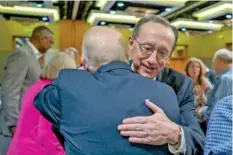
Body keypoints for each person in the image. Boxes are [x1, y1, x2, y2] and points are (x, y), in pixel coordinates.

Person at [34, 27, 183, 155]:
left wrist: (81, 70)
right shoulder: (167, 93)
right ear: (126, 56)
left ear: (85, 62)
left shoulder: (69, 86)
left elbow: (41, 98)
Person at [120, 15, 204, 154]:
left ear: (169, 57)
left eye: (162, 53)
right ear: (131, 44)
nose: (152, 60)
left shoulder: (181, 85)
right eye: (147, 48)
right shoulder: (110, 75)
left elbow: (198, 140)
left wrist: (174, 134)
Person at [7, 53, 76, 155]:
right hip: (35, 150)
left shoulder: (35, 86)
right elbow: (48, 134)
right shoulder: (53, 92)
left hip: (18, 148)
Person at [0, 26, 54, 154]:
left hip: (26, 123)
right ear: (42, 38)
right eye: (50, 41)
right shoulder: (21, 54)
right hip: (14, 125)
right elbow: (10, 90)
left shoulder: (36, 58)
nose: (51, 45)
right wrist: (13, 123)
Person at [199, 49, 232, 121]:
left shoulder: (225, 79)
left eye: (213, 62)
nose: (212, 66)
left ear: (220, 60)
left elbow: (220, 108)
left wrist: (203, 111)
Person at [185, 58, 212, 134]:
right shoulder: (184, 83)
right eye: (192, 66)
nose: (195, 69)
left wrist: (201, 95)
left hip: (203, 118)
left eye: (197, 67)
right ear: (187, 69)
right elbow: (184, 102)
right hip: (189, 118)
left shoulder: (206, 83)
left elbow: (211, 102)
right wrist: (198, 97)